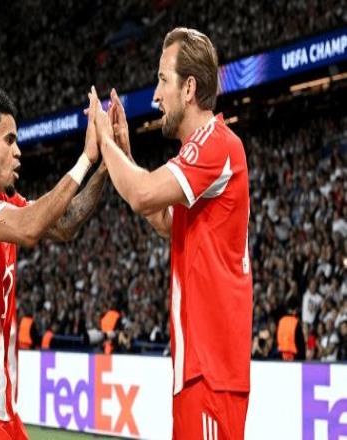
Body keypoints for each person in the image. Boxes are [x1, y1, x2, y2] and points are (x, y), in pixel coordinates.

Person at [89, 27, 253, 439]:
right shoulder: (199, 153)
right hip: (196, 369)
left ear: (189, 88)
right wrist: (125, 152)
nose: (156, 96)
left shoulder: (217, 143)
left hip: (211, 372)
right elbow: (165, 221)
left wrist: (104, 140)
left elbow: (143, 194)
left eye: (163, 80)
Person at [0, 87, 106, 439]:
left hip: (1, 407)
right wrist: (85, 159)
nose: (18, 151)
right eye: (10, 140)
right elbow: (30, 228)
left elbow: (64, 223)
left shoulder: (2, 203)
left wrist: (107, 165)